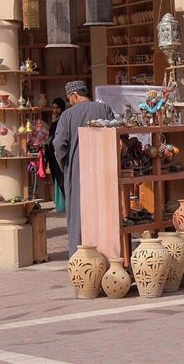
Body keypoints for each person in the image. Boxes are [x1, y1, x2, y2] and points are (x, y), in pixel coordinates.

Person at [53, 81, 114, 257]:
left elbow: (59, 145)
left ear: (74, 95)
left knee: (78, 214)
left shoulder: (67, 115)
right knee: (104, 211)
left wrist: (66, 165)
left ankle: (79, 257)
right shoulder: (105, 110)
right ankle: (107, 254)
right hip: (104, 169)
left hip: (78, 171)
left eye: (69, 98)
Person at [45, 97, 66, 212]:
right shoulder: (54, 119)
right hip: (53, 154)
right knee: (56, 178)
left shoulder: (64, 119)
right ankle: (60, 204)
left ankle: (65, 204)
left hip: (60, 153)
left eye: (57, 108)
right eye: (53, 108)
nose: (55, 110)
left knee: (62, 177)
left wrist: (54, 123)